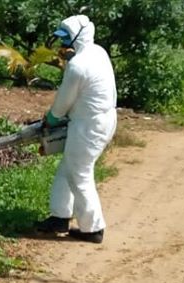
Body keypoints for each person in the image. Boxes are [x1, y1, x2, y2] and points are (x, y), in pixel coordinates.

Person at [35, 14, 117, 244]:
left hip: (88, 126)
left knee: (80, 174)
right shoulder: (97, 52)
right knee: (67, 168)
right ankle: (59, 217)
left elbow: (62, 104)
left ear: (78, 38)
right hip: (103, 119)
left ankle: (93, 228)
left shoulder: (77, 66)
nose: (62, 44)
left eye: (66, 39)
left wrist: (50, 120)